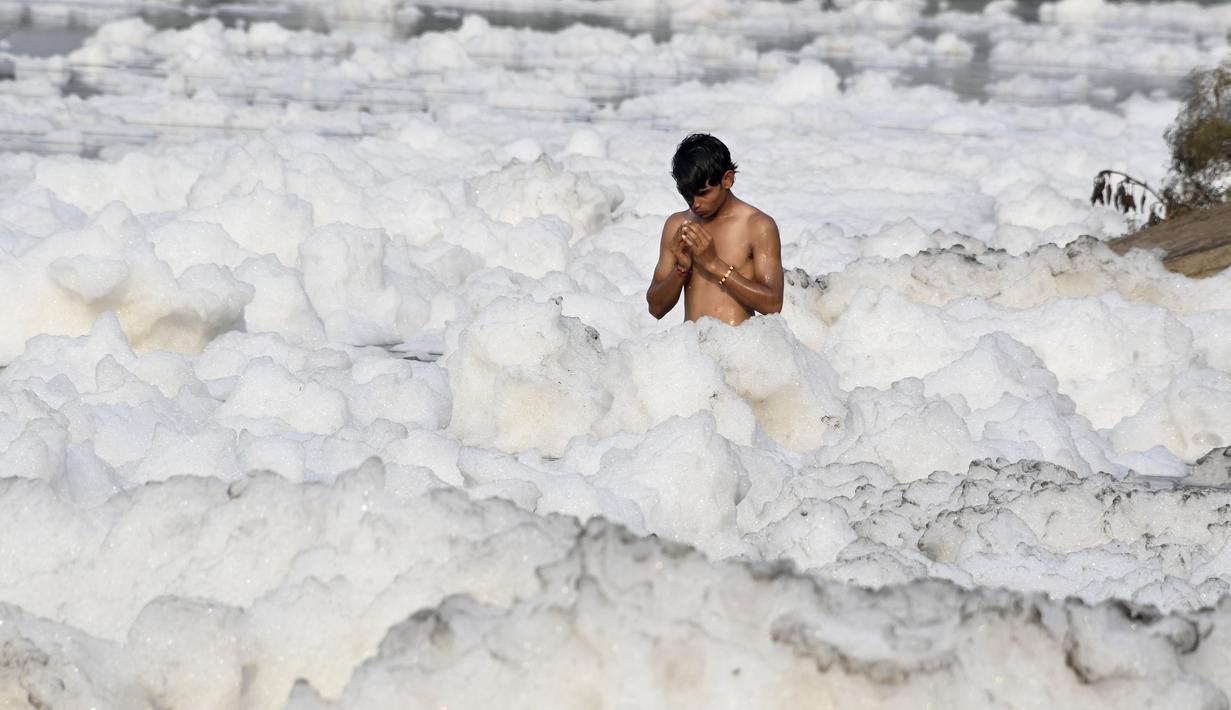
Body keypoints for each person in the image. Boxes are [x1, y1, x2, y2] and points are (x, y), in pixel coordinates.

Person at [645, 133, 783, 325]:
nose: (695, 204)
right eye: (687, 196)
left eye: (703, 193)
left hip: (739, 348)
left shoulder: (757, 226)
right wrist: (681, 269)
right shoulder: (678, 225)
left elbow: (773, 304)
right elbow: (655, 309)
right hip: (692, 349)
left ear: (727, 180)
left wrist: (714, 264)